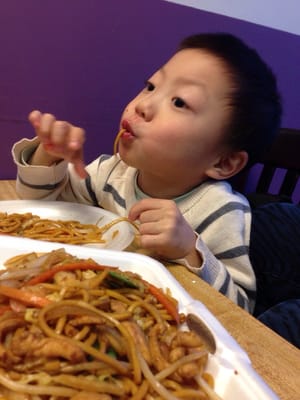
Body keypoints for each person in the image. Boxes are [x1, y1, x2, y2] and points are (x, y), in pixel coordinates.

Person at [12, 33, 282, 314]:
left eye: (179, 102)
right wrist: (47, 157)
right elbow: (41, 210)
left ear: (224, 162)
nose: (143, 104)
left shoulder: (221, 211)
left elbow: (240, 310)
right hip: (83, 301)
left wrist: (190, 250)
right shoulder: (112, 171)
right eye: (151, 86)